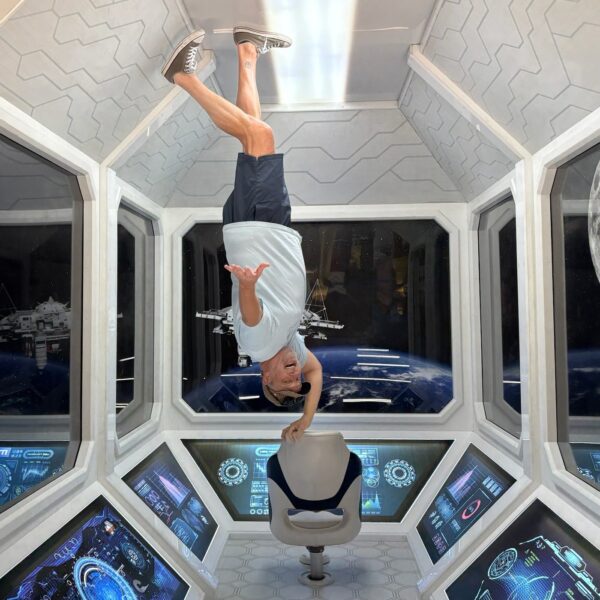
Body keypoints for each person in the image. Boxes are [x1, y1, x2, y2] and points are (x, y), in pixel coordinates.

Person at [162, 27, 322, 441]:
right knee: (254, 134)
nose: (296, 375)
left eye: (286, 383)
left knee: (259, 136)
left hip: (258, 228)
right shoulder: (287, 347)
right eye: (297, 382)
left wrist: (248, 286)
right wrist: (306, 419)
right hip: (269, 228)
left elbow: (250, 313)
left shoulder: (259, 341)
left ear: (265, 378)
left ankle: (182, 77)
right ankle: (248, 49)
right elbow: (317, 371)